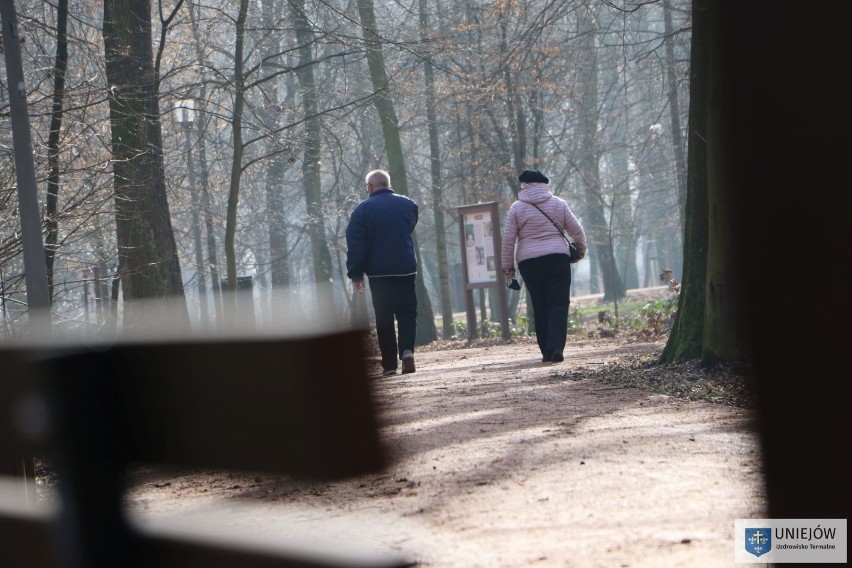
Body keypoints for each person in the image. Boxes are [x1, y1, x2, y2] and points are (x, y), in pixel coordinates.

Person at [501, 169, 587, 363]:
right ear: (544, 185)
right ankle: (557, 346)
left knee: (539, 305)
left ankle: (546, 352)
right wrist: (580, 251)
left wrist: (509, 270)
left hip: (529, 263)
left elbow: (508, 241)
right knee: (559, 303)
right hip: (557, 258)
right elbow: (577, 231)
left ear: (524, 185)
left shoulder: (516, 208)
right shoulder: (559, 204)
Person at [346, 169, 419, 376]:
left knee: (384, 317)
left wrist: (356, 274)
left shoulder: (362, 210)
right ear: (388, 184)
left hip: (378, 274)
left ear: (370, 187)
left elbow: (356, 244)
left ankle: (389, 365)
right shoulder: (408, 204)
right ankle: (407, 351)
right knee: (407, 313)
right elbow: (409, 226)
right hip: (405, 269)